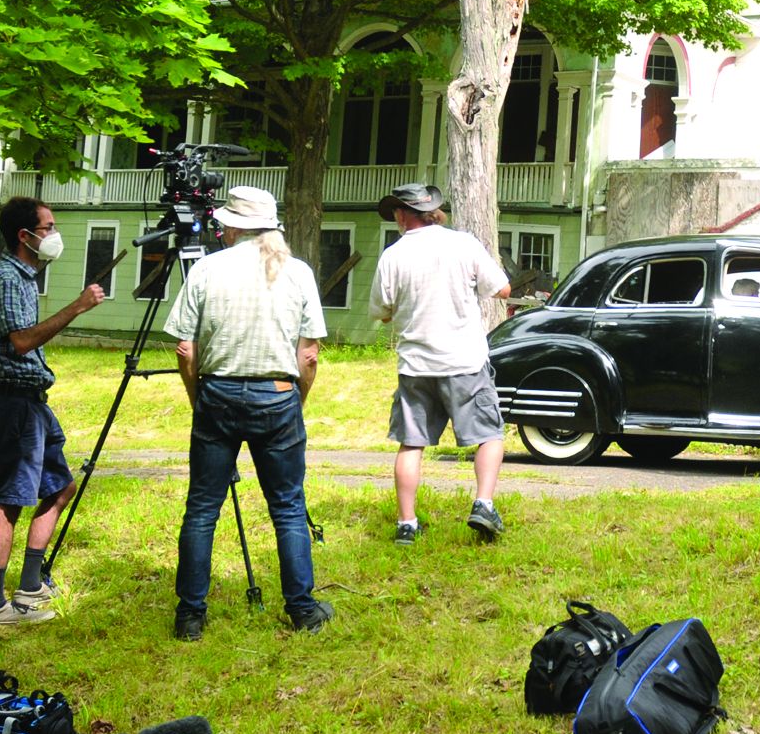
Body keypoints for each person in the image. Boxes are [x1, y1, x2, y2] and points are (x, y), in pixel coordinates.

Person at [164, 185, 332, 640]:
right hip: (277, 394)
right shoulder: (297, 272)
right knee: (288, 508)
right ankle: (302, 609)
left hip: (216, 393)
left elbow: (185, 348)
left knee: (201, 509)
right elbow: (309, 354)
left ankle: (190, 616)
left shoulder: (205, 269)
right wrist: (295, 402)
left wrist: (196, 395)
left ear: (232, 226)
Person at [0, 196, 105, 627]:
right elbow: (22, 341)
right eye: (48, 227)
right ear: (24, 236)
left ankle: (30, 585)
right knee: (11, 498)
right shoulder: (8, 278)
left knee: (61, 486)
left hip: (32, 401)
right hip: (14, 402)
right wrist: (77, 306)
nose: (54, 235)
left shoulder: (26, 277)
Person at [370, 183, 512, 544]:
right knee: (489, 434)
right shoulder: (463, 244)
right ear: (432, 212)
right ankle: (483, 503)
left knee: (411, 443)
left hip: (416, 366)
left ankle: (407, 523)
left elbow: (381, 312)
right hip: (464, 361)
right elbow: (503, 289)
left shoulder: (392, 255)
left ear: (403, 216)